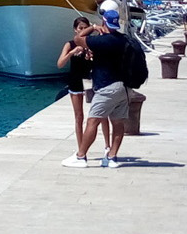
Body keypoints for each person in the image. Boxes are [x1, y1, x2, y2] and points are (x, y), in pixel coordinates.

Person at [68, 10, 132, 169]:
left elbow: (78, 39)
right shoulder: (124, 40)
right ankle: (112, 157)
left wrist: (93, 27)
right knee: (118, 122)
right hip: (124, 88)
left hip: (106, 87)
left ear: (104, 22)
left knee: (92, 121)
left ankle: (80, 156)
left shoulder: (101, 41)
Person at [56, 17, 97, 167]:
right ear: (75, 29)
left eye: (85, 28)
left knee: (96, 116)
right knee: (79, 117)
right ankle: (81, 151)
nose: (82, 31)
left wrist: (91, 55)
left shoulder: (92, 44)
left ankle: (105, 147)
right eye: (80, 28)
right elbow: (60, 64)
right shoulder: (70, 44)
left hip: (90, 82)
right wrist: (72, 52)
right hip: (75, 81)